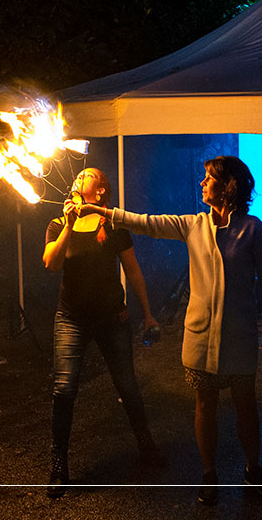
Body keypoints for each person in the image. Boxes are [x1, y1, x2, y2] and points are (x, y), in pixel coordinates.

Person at [79, 156, 262, 505]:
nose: (201, 183)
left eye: (208, 178)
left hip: (239, 334)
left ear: (228, 186)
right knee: (205, 402)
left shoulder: (252, 228)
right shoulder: (193, 224)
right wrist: (103, 212)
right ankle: (209, 475)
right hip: (200, 335)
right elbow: (146, 223)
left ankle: (252, 468)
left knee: (245, 404)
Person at [42, 167, 164, 498]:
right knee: (64, 390)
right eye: (79, 175)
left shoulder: (113, 225)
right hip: (71, 319)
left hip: (112, 318)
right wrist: (68, 224)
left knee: (127, 385)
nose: (81, 177)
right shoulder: (58, 223)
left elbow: (133, 270)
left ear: (101, 192)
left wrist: (148, 314)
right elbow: (51, 264)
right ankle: (58, 465)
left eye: (89, 175)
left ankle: (147, 446)